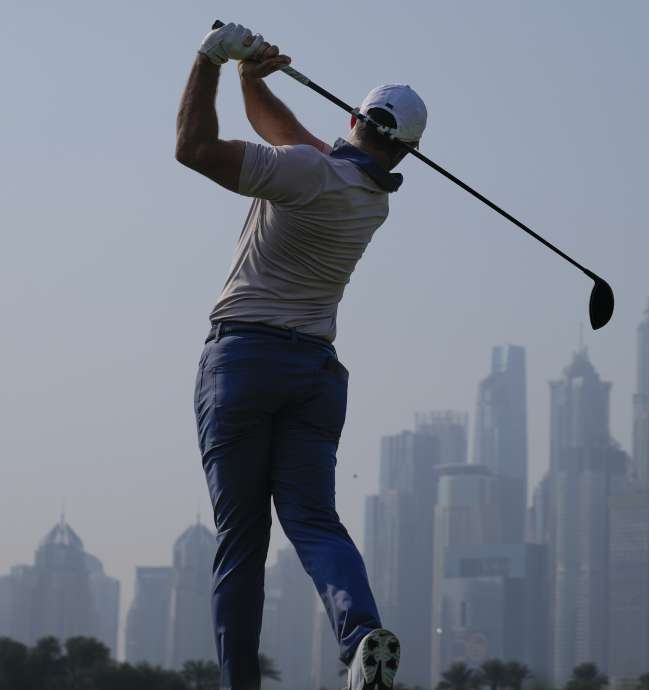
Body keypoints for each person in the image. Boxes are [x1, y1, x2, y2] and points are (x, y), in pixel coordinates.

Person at [175, 22, 426, 690]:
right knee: (314, 521)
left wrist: (209, 60)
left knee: (241, 542)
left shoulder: (308, 172)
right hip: (315, 375)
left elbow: (193, 148)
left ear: (351, 118)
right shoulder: (370, 200)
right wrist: (251, 75)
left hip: (245, 363)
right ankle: (361, 636)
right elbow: (294, 137)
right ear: (404, 156)